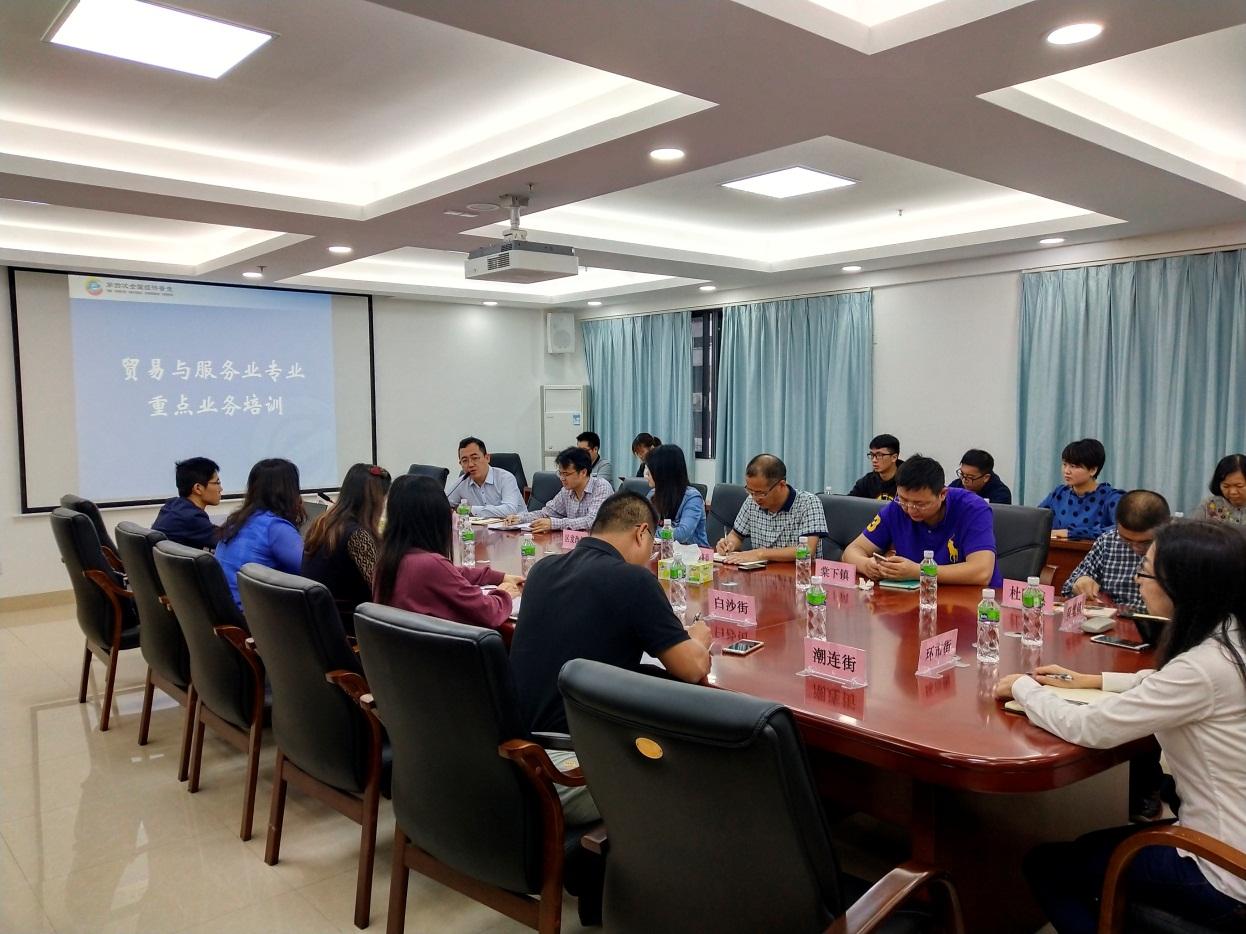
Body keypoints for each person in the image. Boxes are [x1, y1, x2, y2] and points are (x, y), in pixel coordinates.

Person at [994, 521, 1246, 932]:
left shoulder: (1202, 667)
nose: (1136, 580)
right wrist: (1093, 680)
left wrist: (1024, 687)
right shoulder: (1230, 637)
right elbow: (1168, 685)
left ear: (1182, 586)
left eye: (1145, 571)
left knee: (1049, 866)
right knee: (1086, 850)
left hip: (1222, 869)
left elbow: (1090, 727)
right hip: (1230, 835)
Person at [510, 491, 713, 823]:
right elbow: (691, 668)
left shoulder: (543, 570)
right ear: (642, 533)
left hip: (514, 761)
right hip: (566, 774)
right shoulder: (634, 580)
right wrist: (698, 638)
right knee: (698, 772)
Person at [374, 475, 521, 629]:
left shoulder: (389, 559)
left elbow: (452, 573)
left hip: (403, 644)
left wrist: (498, 577)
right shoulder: (430, 565)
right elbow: (488, 613)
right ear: (436, 518)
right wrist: (504, 594)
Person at [842, 455, 1000, 588]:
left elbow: (982, 572)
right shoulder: (896, 507)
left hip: (972, 602)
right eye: (904, 500)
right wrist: (866, 565)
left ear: (942, 494)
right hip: (914, 600)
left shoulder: (973, 508)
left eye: (920, 504)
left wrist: (919, 571)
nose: (910, 509)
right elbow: (852, 551)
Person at [301, 464, 392, 634]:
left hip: (321, 627)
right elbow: (382, 591)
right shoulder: (357, 536)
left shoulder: (322, 524)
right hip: (351, 632)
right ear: (376, 500)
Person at [213, 458, 305, 609]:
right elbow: (312, 571)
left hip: (229, 611)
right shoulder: (274, 527)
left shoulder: (235, 522)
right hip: (254, 616)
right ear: (290, 491)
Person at [1064, 490, 1170, 610]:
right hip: (1112, 618)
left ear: (1165, 528)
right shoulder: (1108, 541)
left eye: (1145, 542)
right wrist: (1080, 581)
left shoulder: (1177, 548)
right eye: (1127, 540)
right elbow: (1068, 587)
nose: (1136, 548)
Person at [715, 454, 826, 563]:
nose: (755, 498)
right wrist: (729, 544)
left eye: (761, 493)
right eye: (750, 491)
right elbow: (736, 535)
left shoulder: (808, 503)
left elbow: (807, 551)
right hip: (760, 572)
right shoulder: (751, 502)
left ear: (781, 485)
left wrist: (760, 554)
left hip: (799, 572)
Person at [505, 446, 613, 532]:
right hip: (575, 544)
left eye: (566, 474)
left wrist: (554, 524)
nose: (562, 478)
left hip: (600, 545)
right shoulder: (566, 491)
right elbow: (546, 513)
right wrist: (520, 518)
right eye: (560, 473)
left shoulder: (601, 487)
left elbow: (592, 521)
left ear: (583, 472)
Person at [1038, 438, 1123, 540]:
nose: (1066, 471)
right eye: (1064, 464)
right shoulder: (1059, 493)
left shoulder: (1112, 498)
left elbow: (1123, 529)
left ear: (1093, 470)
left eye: (1073, 466)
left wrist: (1072, 533)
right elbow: (1036, 520)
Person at [444, 436, 524, 518]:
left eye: (475, 458)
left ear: (487, 458)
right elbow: (443, 504)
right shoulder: (461, 482)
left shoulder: (505, 478)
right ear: (460, 464)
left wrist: (470, 509)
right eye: (465, 461)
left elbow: (510, 510)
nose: (470, 464)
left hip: (517, 525)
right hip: (480, 526)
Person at [644, 443, 707, 547]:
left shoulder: (692, 498)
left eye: (650, 470)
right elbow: (643, 525)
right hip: (662, 551)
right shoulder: (652, 495)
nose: (646, 475)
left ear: (663, 472)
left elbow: (682, 534)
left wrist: (651, 532)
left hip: (694, 554)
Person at [152, 456, 222, 549]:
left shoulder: (171, 505)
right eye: (217, 483)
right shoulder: (192, 518)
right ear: (198, 488)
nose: (221, 489)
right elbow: (227, 542)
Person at [848, 433, 904, 500]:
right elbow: (849, 502)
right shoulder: (867, 481)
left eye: (879, 455)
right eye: (872, 455)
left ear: (894, 457)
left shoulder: (907, 481)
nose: (874, 460)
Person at [1195, 453, 1246, 525]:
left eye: (1239, 486)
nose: (1232, 492)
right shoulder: (1209, 505)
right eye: (1226, 486)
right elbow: (1193, 530)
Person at [947, 449, 1012, 504]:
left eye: (970, 477)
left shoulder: (1001, 495)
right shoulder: (956, 485)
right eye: (962, 474)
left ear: (986, 478)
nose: (964, 481)